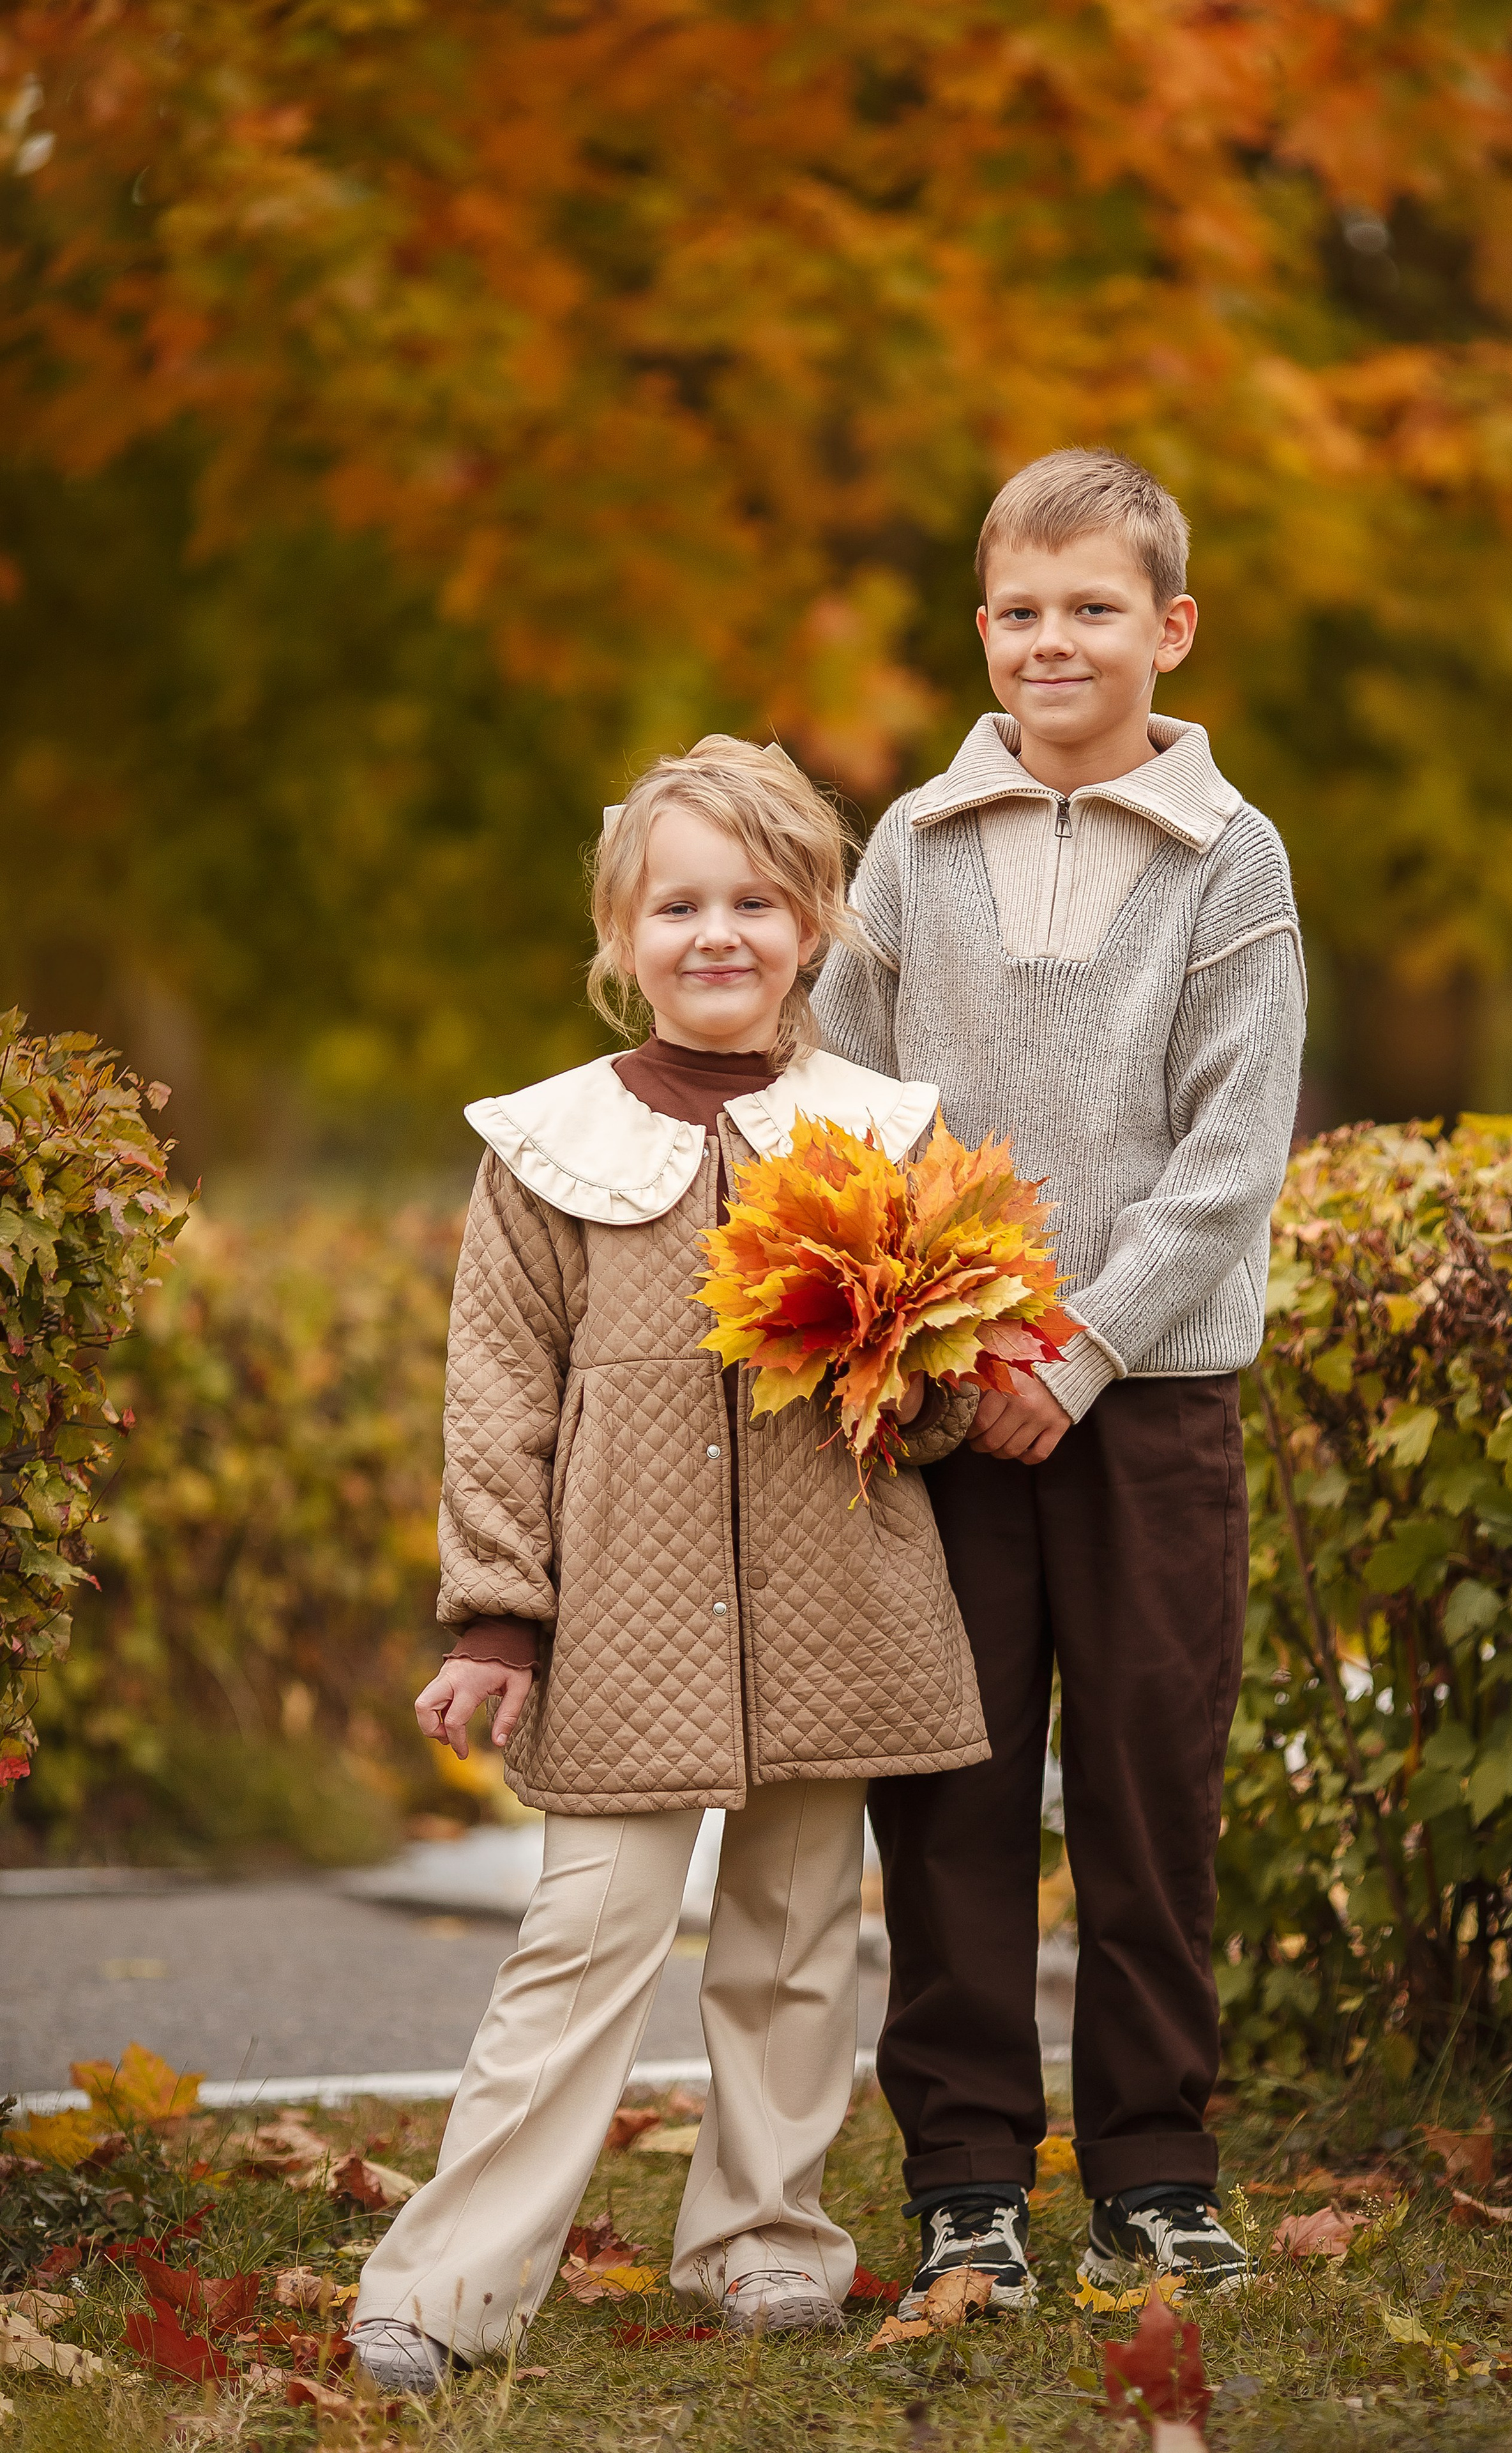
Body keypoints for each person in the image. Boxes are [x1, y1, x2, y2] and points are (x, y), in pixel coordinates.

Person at [347, 736, 987, 2390]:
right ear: (621, 936)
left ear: (813, 924)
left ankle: (767, 2239)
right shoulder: (546, 1146)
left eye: (756, 902)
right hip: (625, 1622)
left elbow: (940, 1394)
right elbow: (499, 1391)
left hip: (833, 1606)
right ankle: (446, 2284)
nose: (719, 933)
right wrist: (499, 1618)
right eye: (680, 904)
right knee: (583, 1939)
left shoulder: (883, 1128)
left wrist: (914, 1364)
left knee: (795, 1938)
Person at [813, 448, 1306, 2309]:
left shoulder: (1232, 856)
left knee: (1146, 1785)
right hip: (942, 1402)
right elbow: (842, 1102)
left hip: (1150, 1402)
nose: (1053, 640)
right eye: (1020, 610)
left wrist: (1085, 1350)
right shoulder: (912, 849)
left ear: (1169, 631)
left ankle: (1155, 2169)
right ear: (981, 629)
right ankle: (966, 2179)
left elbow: (1230, 1153)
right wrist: (934, 1337)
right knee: (948, 1789)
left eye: (1093, 607)